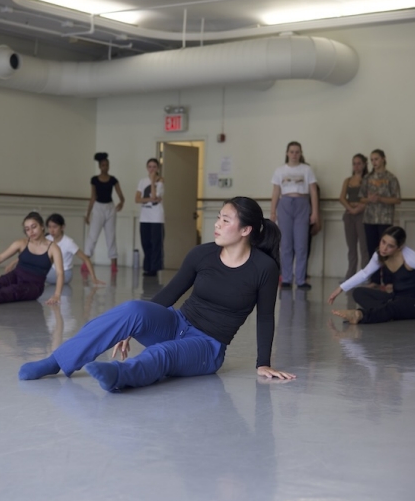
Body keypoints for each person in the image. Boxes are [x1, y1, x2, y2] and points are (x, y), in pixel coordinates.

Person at [18, 196, 296, 391]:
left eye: (225, 220)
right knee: (132, 309)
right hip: (176, 323)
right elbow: (169, 294)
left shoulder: (264, 268)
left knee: (164, 353)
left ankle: (121, 376)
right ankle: (57, 361)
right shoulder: (202, 254)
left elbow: (265, 318)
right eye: (218, 218)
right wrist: (127, 329)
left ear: (246, 229)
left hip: (208, 346)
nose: (217, 224)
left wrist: (263, 364)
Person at [269, 141, 319, 289]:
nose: (294, 154)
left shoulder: (307, 169)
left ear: (301, 153)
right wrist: (273, 211)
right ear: (287, 153)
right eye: (292, 152)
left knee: (301, 244)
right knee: (285, 244)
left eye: (297, 152)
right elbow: (276, 192)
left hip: (302, 204)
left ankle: (301, 279)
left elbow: (314, 191)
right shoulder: (279, 170)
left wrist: (315, 212)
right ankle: (286, 278)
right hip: (285, 204)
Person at [5, 213, 104, 286]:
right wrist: (13, 262)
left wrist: (94, 278)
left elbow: (86, 259)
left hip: (65, 274)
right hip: (51, 270)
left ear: (62, 227)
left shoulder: (69, 242)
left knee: (35, 273)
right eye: (49, 227)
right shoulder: (47, 239)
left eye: (55, 227)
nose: (52, 230)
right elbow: (32, 254)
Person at [359, 149, 401, 284]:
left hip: (385, 218)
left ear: (383, 159)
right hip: (370, 219)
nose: (374, 162)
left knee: (387, 250)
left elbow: (397, 199)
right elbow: (361, 198)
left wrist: (381, 199)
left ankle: (388, 280)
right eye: (372, 160)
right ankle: (374, 279)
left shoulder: (391, 178)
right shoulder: (367, 178)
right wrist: (369, 199)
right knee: (373, 250)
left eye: (376, 159)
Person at [83, 152, 125, 273]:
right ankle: (86, 262)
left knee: (111, 236)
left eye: (107, 165)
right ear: (99, 166)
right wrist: (88, 214)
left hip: (110, 208)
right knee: (93, 236)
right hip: (98, 208)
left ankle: (113, 264)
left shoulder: (113, 180)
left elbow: (121, 195)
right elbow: (92, 197)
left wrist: (121, 203)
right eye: (103, 165)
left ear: (109, 166)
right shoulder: (94, 180)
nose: (105, 167)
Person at [338, 153, 369, 280]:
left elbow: (370, 199)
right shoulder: (348, 180)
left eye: (359, 163)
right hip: (349, 214)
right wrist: (351, 208)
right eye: (354, 163)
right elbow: (342, 197)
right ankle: (350, 274)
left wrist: (359, 207)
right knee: (351, 247)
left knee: (364, 246)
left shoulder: (368, 179)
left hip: (363, 214)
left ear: (364, 164)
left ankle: (365, 275)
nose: (356, 166)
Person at [135, 158, 165, 277]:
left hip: (156, 217)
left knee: (156, 243)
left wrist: (153, 182)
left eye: (154, 167)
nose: (152, 169)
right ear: (147, 168)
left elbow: (154, 196)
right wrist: (149, 199)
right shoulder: (142, 181)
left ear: (157, 168)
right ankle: (147, 267)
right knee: (145, 242)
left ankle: (155, 268)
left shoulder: (161, 182)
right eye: (150, 166)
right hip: (144, 217)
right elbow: (137, 199)